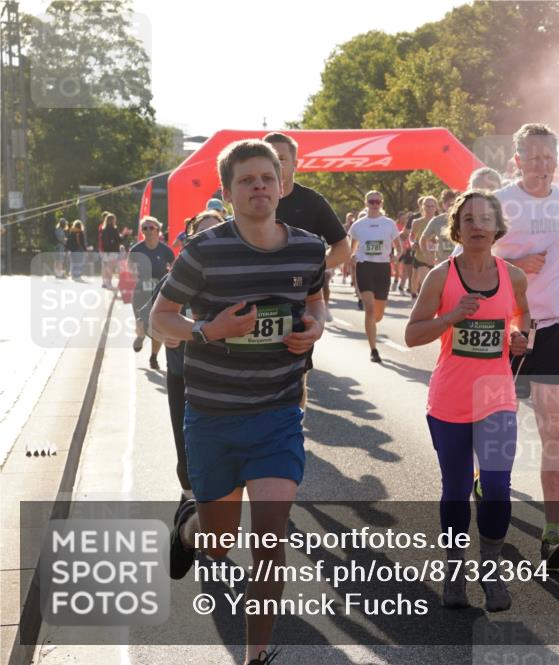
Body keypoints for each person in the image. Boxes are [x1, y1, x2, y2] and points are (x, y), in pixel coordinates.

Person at [151, 139, 326, 665]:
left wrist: (314, 328)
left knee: (270, 542)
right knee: (219, 543)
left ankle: (256, 656)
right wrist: (208, 330)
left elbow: (315, 302)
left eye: (267, 179)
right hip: (213, 417)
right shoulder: (204, 252)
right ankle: (189, 528)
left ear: (281, 185)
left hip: (276, 415)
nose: (259, 188)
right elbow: (158, 318)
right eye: (247, 180)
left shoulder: (308, 249)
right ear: (228, 193)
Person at [405, 190, 530, 611]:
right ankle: (455, 568)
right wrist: (451, 317)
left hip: (496, 396)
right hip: (450, 399)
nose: (478, 225)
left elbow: (522, 316)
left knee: (496, 488)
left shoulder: (513, 277)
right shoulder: (441, 276)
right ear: (457, 228)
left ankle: (490, 569)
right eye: (469, 219)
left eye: (486, 218)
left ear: (497, 227)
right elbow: (412, 334)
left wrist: (518, 336)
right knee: (456, 490)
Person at [491, 123, 559, 569]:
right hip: (505, 329)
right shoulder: (500, 203)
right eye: (534, 155)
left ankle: (551, 533)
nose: (542, 164)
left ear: (556, 161)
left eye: (549, 156)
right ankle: (485, 487)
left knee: (554, 428)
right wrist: (512, 264)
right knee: (497, 427)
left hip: (555, 326)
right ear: (518, 160)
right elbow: (467, 259)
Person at [146, 210, 227, 505]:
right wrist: (166, 330)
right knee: (187, 454)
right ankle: (189, 508)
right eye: (201, 235)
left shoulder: (243, 281)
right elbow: (153, 321)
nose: (210, 241)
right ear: (190, 241)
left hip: (230, 383)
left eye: (218, 232)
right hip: (184, 378)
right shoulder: (176, 278)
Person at [264, 132, 350, 323]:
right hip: (255, 298)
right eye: (268, 158)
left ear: (295, 163)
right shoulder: (250, 197)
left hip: (298, 303)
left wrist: (308, 271)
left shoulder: (312, 202)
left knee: (296, 349)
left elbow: (343, 249)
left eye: (281, 159)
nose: (274, 164)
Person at [349, 190, 403, 363]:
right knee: (370, 309)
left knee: (378, 315)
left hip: (382, 269)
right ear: (366, 203)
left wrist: (396, 257)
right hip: (365, 267)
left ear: (381, 203)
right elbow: (352, 248)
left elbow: (399, 248)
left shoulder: (388, 224)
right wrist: (352, 257)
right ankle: (373, 349)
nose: (374, 205)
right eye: (371, 201)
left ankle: (372, 324)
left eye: (377, 202)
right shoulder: (358, 225)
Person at [128, 216, 175, 369]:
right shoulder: (136, 249)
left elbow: (174, 268)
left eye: (151, 228)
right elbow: (129, 268)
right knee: (141, 321)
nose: (147, 231)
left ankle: (153, 357)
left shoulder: (165, 250)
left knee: (158, 325)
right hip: (141, 292)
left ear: (158, 230)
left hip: (160, 293)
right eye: (144, 228)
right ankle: (141, 335)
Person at [409, 195, 439, 296]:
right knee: (422, 279)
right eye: (427, 206)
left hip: (436, 257)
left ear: (436, 207)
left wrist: (437, 241)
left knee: (427, 281)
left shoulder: (440, 222)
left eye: (432, 206)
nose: (429, 208)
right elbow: (412, 236)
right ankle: (422, 297)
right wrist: (412, 243)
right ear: (422, 207)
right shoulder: (417, 222)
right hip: (421, 256)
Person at [420, 188, 458, 265]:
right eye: (448, 204)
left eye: (453, 204)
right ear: (443, 205)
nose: (451, 207)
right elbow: (423, 239)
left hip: (461, 264)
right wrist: (427, 255)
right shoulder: (436, 221)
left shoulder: (464, 220)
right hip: (443, 264)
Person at [98, 212, 122, 289]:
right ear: (113, 220)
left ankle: (105, 282)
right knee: (111, 268)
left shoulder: (104, 229)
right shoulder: (114, 229)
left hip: (105, 251)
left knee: (105, 267)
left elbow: (104, 241)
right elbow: (118, 240)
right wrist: (125, 234)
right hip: (113, 251)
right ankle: (109, 283)